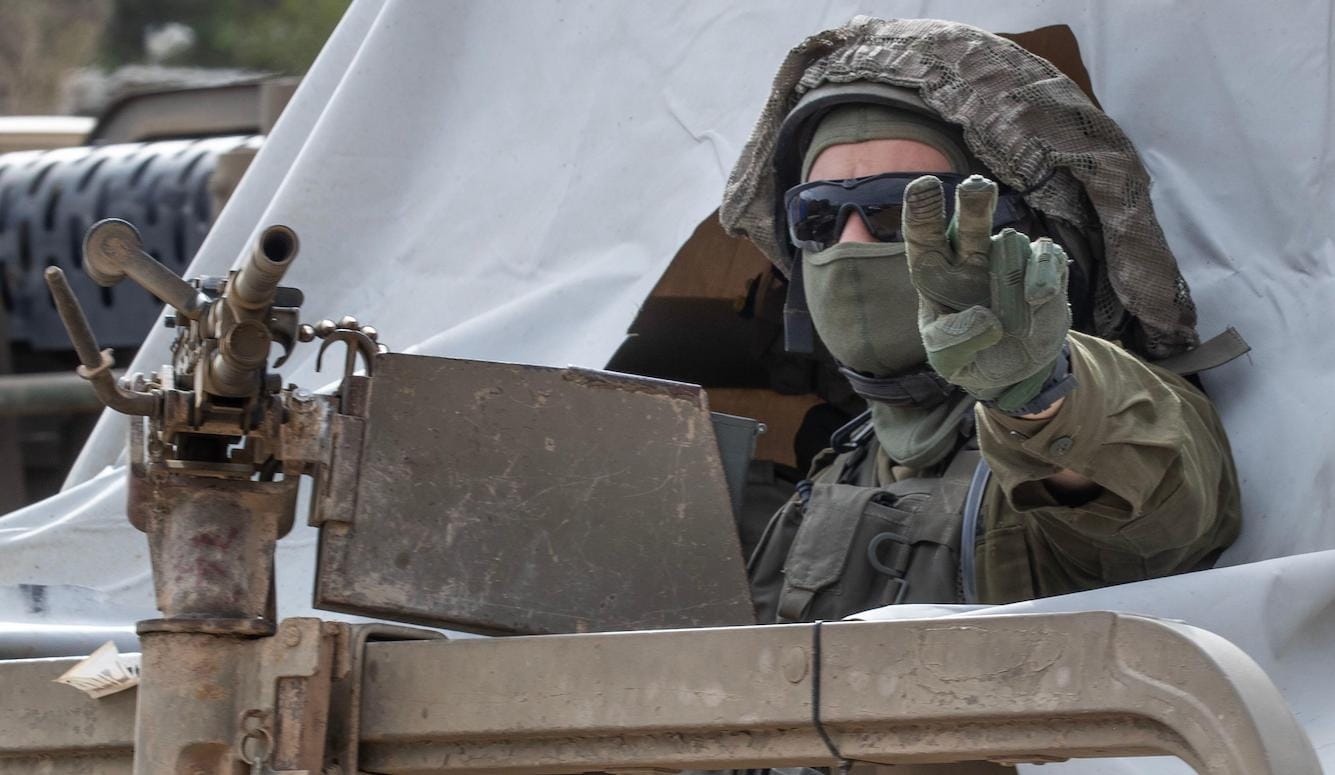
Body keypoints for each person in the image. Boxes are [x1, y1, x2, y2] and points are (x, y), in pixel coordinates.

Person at [720, 17, 1243, 615]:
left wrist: (1039, 396)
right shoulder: (849, 457)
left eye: (901, 209)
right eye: (817, 216)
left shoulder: (1123, 413)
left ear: (1020, 233)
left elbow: (1147, 494)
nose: (854, 244)